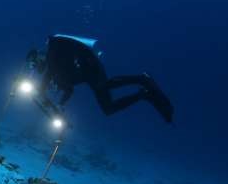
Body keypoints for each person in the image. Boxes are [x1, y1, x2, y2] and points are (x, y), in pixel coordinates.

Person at [24, 34, 173, 123]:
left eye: (34, 63)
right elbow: (69, 89)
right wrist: (61, 104)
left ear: (39, 56)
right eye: (33, 66)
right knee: (108, 109)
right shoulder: (54, 71)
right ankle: (143, 94)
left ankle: (141, 78)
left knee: (106, 85)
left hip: (90, 65)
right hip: (89, 73)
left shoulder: (53, 54)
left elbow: (47, 76)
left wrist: (41, 93)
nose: (36, 68)